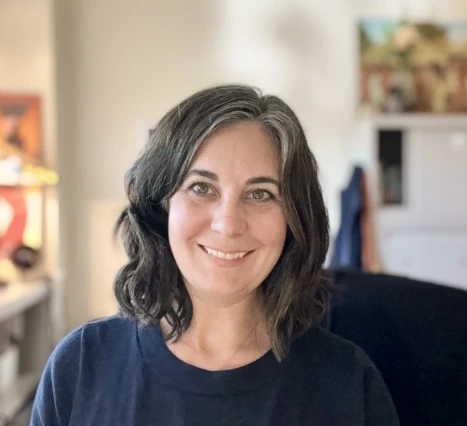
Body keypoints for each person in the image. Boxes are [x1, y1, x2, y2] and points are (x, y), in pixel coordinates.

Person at [31, 84, 399, 425]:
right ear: (162, 208)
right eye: (201, 187)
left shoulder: (349, 384)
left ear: (295, 220)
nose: (228, 224)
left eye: (261, 194)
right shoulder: (80, 367)